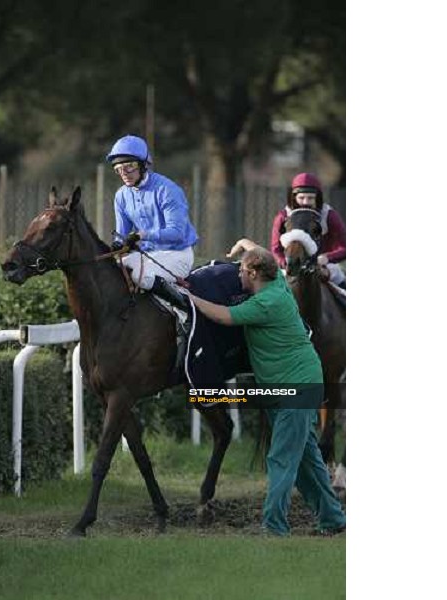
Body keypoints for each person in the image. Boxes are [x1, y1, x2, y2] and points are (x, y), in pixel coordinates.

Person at [189, 239, 346, 537]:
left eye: (241, 272)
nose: (236, 275)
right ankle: (334, 519)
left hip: (296, 386)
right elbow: (260, 252)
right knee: (307, 461)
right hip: (289, 385)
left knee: (281, 458)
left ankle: (274, 527)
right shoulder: (277, 283)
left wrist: (189, 296)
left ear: (253, 274)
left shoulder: (265, 303)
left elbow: (222, 315)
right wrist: (242, 245)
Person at [106, 135, 198, 309]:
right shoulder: (121, 196)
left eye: (129, 167)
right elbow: (121, 235)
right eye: (118, 169)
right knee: (110, 271)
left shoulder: (168, 190)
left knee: (141, 276)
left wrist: (143, 235)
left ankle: (183, 310)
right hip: (148, 255)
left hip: (178, 255)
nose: (124, 173)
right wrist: (117, 245)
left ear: (143, 165)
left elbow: (177, 234)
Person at [270, 172, 346, 288]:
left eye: (310, 198)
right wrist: (284, 262)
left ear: (318, 198)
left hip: (325, 266)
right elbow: (275, 248)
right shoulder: (283, 216)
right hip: (291, 265)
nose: (305, 202)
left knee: (340, 281)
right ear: (294, 198)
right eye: (301, 198)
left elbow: (345, 247)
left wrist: (327, 258)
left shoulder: (329, 215)